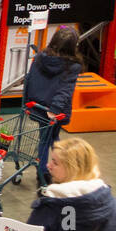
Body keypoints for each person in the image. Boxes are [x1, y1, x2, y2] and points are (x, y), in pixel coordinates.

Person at [24, 28, 84, 186]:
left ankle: (61, 165)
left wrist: (27, 101)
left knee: (50, 138)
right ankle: (43, 173)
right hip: (53, 112)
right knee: (48, 140)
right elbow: (65, 90)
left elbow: (30, 79)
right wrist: (54, 110)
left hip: (36, 105)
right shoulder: (72, 66)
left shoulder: (40, 57)